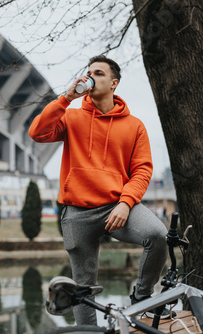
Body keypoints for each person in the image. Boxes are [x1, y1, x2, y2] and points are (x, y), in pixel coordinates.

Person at [28, 55, 168, 325]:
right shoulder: (71, 117)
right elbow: (37, 132)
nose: (90, 77)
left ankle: (141, 298)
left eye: (99, 73)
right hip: (78, 212)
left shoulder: (134, 125)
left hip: (117, 208)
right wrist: (64, 98)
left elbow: (142, 171)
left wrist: (126, 203)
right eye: (89, 72)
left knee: (157, 235)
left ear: (114, 83)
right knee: (82, 288)